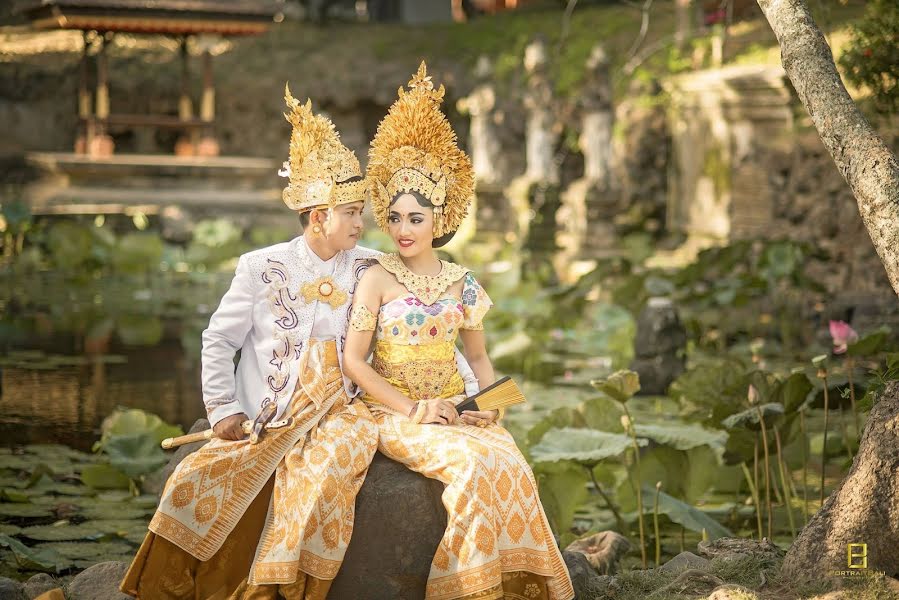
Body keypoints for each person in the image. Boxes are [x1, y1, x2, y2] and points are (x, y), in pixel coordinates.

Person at [120, 89, 381, 599]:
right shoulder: (261, 266)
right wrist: (222, 409)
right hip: (273, 408)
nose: (359, 222)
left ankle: (284, 586)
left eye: (360, 211)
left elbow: (412, 333)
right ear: (316, 215)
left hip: (345, 405)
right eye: (349, 211)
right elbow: (218, 340)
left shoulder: (372, 266)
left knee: (321, 473)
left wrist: (459, 389)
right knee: (196, 476)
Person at [343, 63, 575, 600]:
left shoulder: (463, 282)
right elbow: (355, 363)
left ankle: (520, 585)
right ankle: (465, 589)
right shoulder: (374, 278)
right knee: (471, 468)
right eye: (395, 217)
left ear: (439, 219)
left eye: (415, 219)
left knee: (510, 462)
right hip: (397, 412)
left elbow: (481, 358)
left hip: (456, 403)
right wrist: (412, 409)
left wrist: (490, 404)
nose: (403, 229)